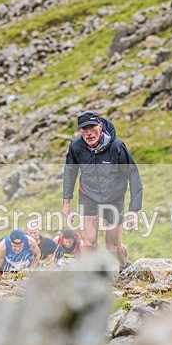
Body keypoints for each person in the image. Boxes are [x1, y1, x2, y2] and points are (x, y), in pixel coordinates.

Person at [62, 110, 142, 271]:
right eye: (84, 129)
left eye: (92, 128)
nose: (89, 133)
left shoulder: (117, 147)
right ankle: (97, 277)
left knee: (113, 247)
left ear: (100, 126)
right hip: (88, 196)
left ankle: (125, 265)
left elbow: (133, 176)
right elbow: (70, 173)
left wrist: (134, 210)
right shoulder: (76, 147)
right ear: (80, 131)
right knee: (89, 243)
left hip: (114, 198)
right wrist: (66, 202)